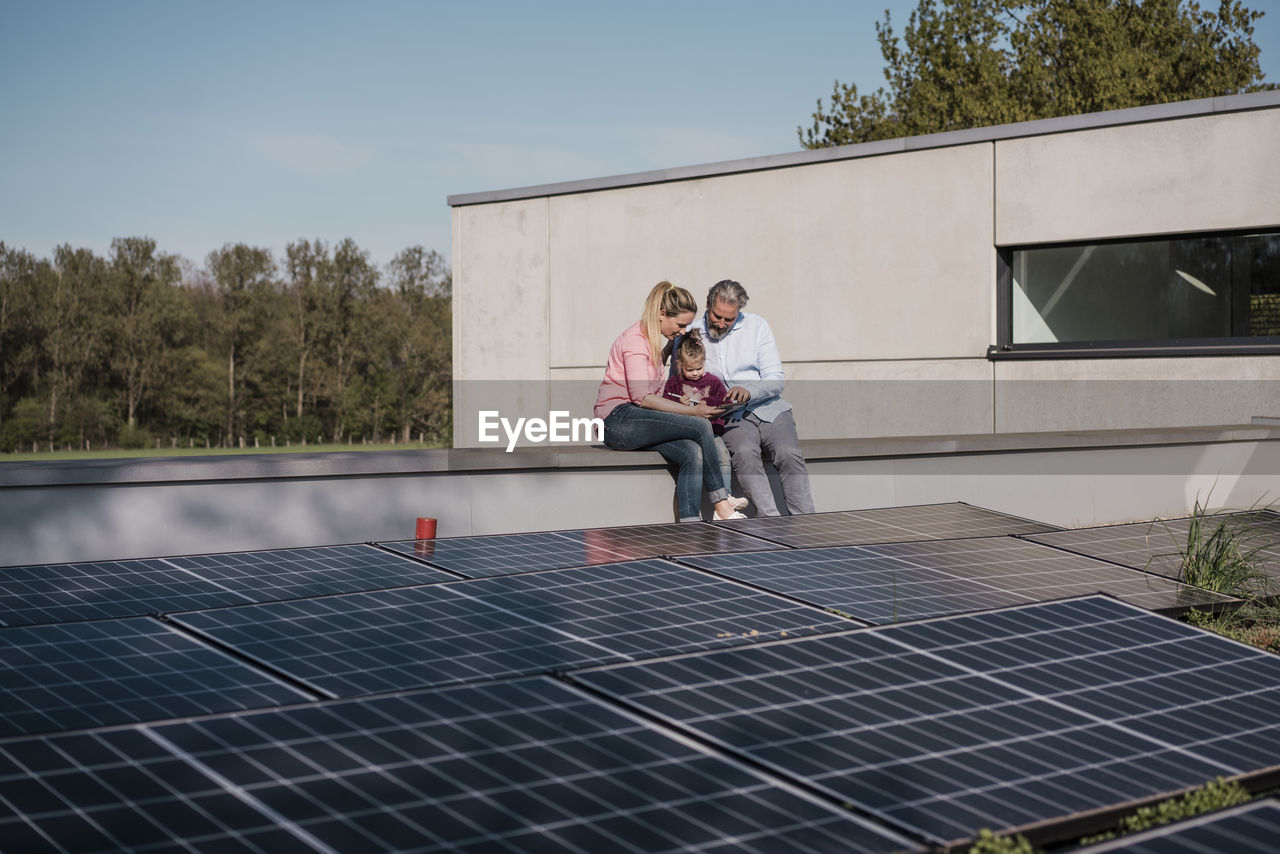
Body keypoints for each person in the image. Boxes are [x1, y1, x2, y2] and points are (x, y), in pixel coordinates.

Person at [595, 281, 747, 522]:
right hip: (618, 420)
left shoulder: (652, 341)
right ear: (661, 314)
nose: (683, 331)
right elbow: (641, 397)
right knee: (700, 426)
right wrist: (694, 413)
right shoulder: (635, 342)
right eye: (680, 324)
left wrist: (672, 349)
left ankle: (689, 524)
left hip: (638, 421)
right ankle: (722, 503)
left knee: (692, 452)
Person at [688, 279, 816, 517]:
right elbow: (684, 380)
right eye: (717, 316)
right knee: (745, 453)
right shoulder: (692, 333)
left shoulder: (757, 326)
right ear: (708, 304)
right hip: (731, 417)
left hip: (770, 408)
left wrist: (750, 391)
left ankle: (806, 522)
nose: (722, 323)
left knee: (789, 454)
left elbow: (776, 378)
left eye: (730, 319)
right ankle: (771, 521)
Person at [661, 330, 749, 512]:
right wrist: (680, 403)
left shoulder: (713, 382)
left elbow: (722, 402)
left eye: (699, 368)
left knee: (723, 456)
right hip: (686, 433)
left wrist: (719, 405)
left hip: (712, 432)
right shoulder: (674, 384)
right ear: (680, 365)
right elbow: (665, 406)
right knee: (693, 460)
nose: (695, 373)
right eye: (690, 369)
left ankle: (726, 497)